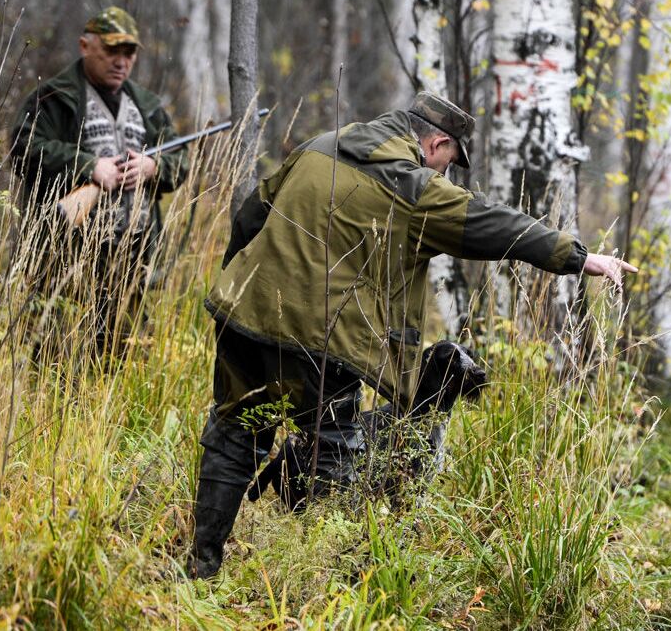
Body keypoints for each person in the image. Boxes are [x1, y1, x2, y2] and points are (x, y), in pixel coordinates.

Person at [188, 92, 638, 578]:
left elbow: (249, 217)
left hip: (243, 314)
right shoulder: (413, 186)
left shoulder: (319, 146)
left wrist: (235, 286)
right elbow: (493, 223)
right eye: (448, 162)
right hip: (322, 338)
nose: (445, 174)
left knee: (234, 433)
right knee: (334, 455)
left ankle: (201, 566)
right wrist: (579, 258)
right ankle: (319, 590)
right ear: (437, 142)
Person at [9, 6, 190, 359]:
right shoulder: (53, 98)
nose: (121, 62)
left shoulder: (148, 106)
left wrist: (153, 167)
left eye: (129, 53)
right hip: (66, 260)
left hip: (133, 259)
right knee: (58, 360)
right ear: (84, 46)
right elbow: (24, 150)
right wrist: (89, 167)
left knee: (128, 362)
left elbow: (181, 161)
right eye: (111, 51)